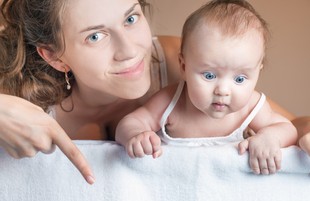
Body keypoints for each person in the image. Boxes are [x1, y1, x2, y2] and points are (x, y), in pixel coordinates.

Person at [0, 0, 309, 182]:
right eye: (95, 36)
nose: (131, 50)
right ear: (54, 56)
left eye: (131, 18)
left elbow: (292, 125)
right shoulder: (19, 100)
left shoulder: (174, 62)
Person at [115, 0, 298, 175]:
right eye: (209, 76)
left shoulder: (251, 106)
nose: (223, 91)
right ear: (184, 66)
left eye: (240, 79)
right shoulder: (170, 101)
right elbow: (130, 123)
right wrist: (136, 135)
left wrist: (270, 137)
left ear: (258, 71)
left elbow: (287, 128)